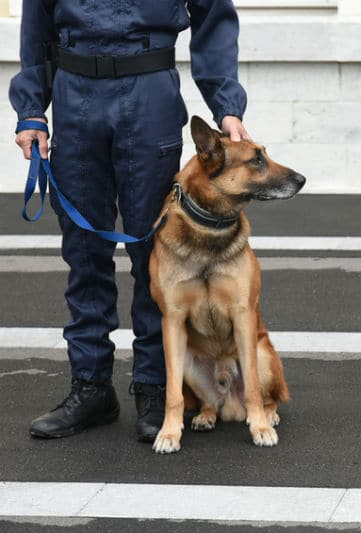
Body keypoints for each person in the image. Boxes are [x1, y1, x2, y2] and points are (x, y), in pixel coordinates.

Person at [11, 0, 250, 442]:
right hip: (74, 95)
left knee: (154, 256)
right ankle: (91, 386)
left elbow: (214, 16)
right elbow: (37, 25)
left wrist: (226, 105)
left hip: (148, 94)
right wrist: (31, 110)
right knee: (84, 256)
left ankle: (155, 388)